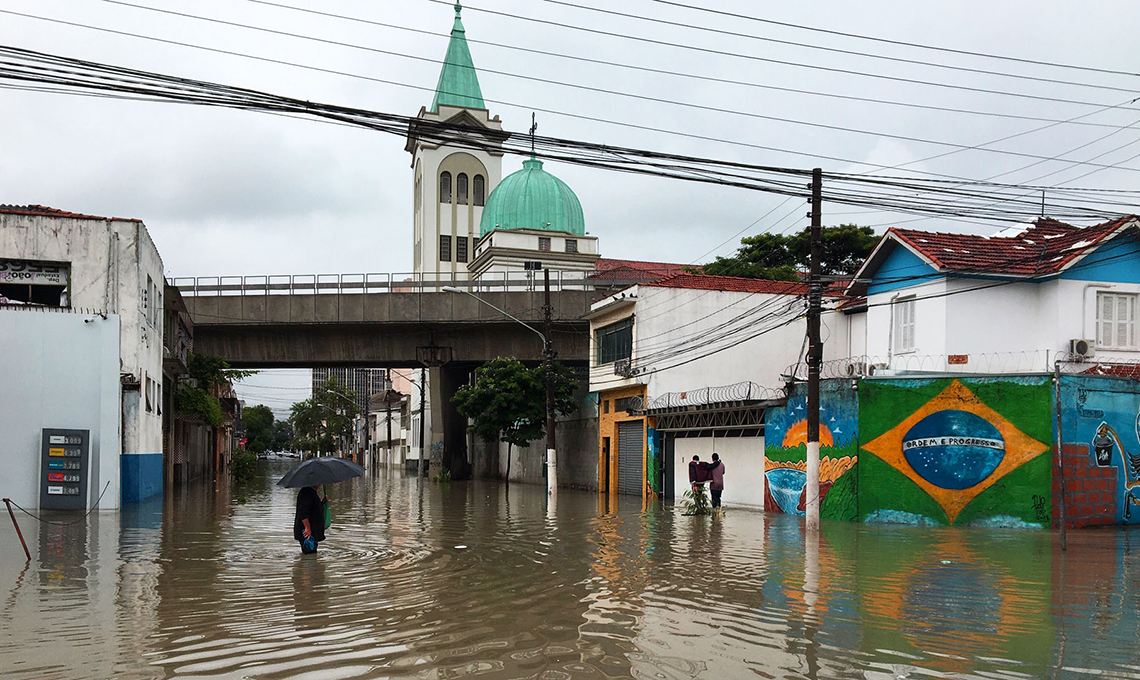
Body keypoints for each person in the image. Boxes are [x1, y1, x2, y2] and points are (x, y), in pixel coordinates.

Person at [293, 485, 326, 554]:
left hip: (312, 529)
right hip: (307, 531)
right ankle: (306, 564)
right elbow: (303, 512)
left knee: (311, 552)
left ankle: (308, 564)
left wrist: (322, 503)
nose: (320, 484)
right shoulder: (306, 493)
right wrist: (307, 528)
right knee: (309, 553)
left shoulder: (311, 492)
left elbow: (312, 508)